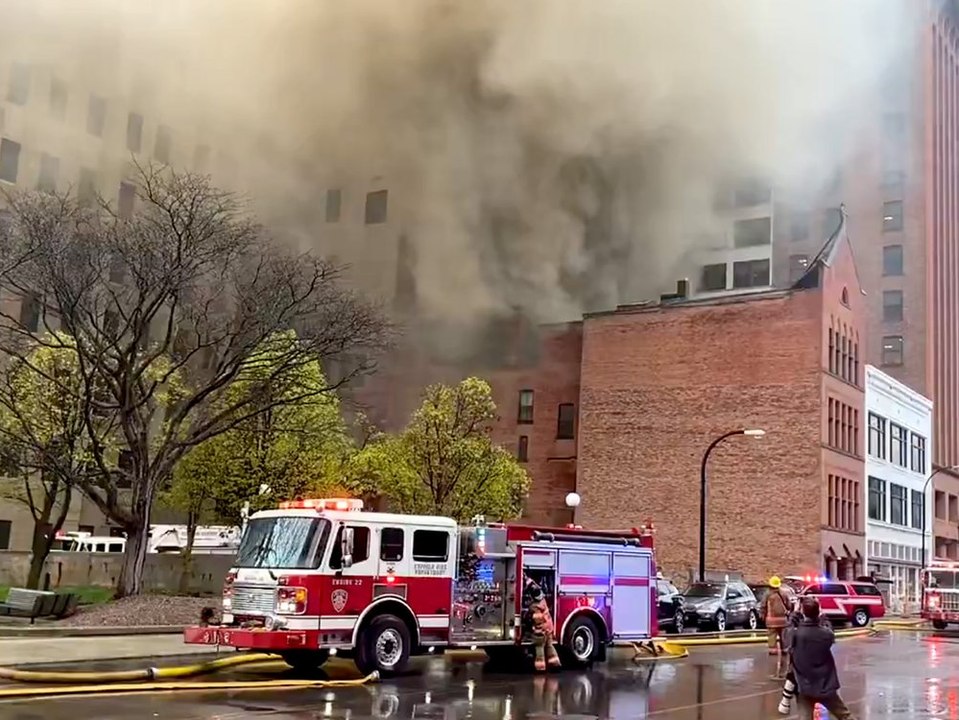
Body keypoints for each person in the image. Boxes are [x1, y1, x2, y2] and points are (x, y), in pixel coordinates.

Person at [788, 596, 856, 720]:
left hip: (804, 685)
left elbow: (787, 636)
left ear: (802, 612)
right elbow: (830, 632)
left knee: (805, 717)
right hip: (825, 684)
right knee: (844, 715)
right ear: (818, 612)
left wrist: (794, 615)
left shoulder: (796, 634)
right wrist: (823, 617)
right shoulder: (825, 634)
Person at [523, 574, 561, 672]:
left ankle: (540, 668)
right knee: (549, 645)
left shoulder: (534, 607)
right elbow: (535, 588)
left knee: (539, 648)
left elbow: (535, 618)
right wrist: (527, 579)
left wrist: (527, 616)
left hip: (540, 630)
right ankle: (555, 664)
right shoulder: (543, 601)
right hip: (549, 628)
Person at [777, 609, 802, 714]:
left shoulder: (791, 632)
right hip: (813, 676)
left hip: (796, 668)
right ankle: (785, 701)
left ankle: (785, 701)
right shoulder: (818, 631)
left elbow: (787, 644)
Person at [763, 576, 790, 672]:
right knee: (783, 636)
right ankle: (784, 649)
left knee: (772, 636)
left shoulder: (767, 595)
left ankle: (773, 650)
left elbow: (763, 606)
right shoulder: (784, 594)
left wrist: (763, 616)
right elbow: (789, 605)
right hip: (783, 620)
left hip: (771, 620)